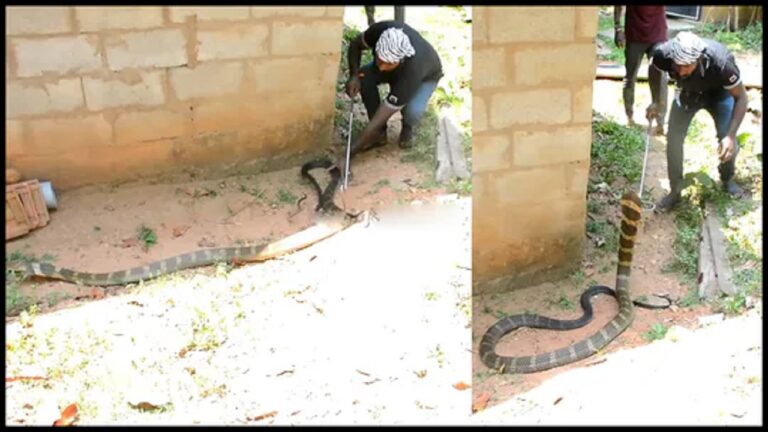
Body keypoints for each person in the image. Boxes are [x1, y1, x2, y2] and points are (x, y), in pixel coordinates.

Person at [646, 31, 748, 212]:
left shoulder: (722, 64)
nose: (681, 71)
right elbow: (654, 68)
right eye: (678, 66)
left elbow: (741, 97)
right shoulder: (664, 54)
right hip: (687, 94)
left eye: (687, 66)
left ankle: (727, 179)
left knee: (726, 136)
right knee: (674, 141)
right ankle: (675, 192)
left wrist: (731, 136)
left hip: (720, 94)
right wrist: (655, 100)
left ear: (699, 59)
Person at [335, 21, 443, 175]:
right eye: (379, 59)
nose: (381, 67)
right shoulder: (379, 32)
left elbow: (379, 118)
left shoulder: (413, 71)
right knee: (364, 77)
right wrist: (354, 75)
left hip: (426, 76)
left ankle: (407, 127)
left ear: (400, 59)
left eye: (388, 63)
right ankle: (379, 135)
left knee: (412, 111)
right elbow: (355, 44)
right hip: (400, 68)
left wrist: (348, 154)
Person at [614, 5, 669, 135]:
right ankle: (629, 115)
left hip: (658, 33)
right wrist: (618, 28)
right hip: (635, 34)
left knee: (660, 77)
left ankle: (660, 122)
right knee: (631, 76)